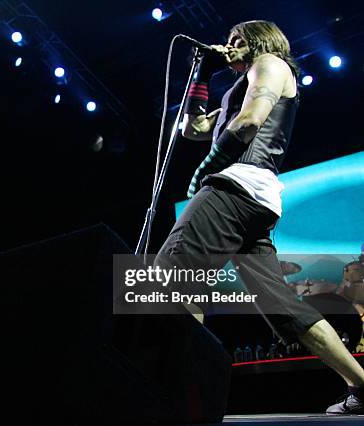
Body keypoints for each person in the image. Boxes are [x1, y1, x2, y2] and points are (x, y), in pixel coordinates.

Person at [155, 20, 364, 414]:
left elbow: (250, 122)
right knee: (284, 308)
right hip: (254, 199)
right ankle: (363, 384)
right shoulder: (240, 87)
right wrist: (201, 71)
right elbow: (192, 128)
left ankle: (185, 395)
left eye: (237, 41)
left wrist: (206, 170)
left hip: (236, 185)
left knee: (175, 275)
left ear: (258, 41)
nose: (229, 46)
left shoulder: (270, 63)